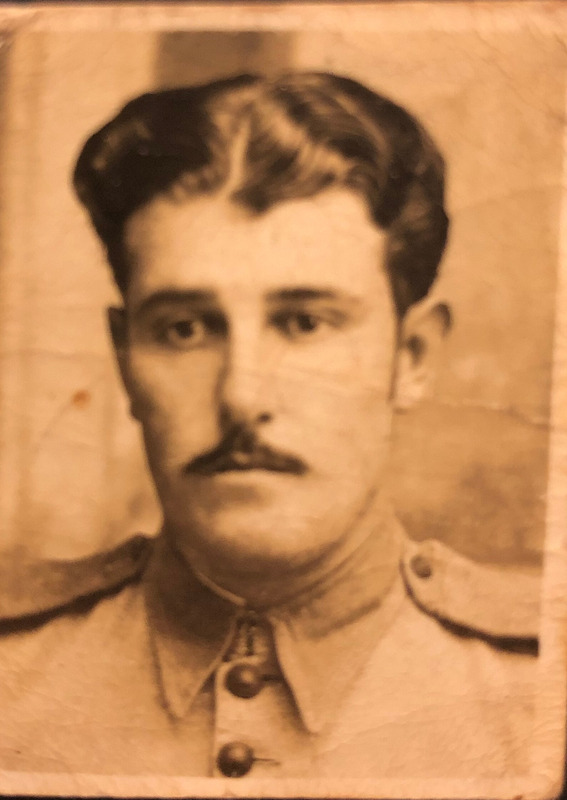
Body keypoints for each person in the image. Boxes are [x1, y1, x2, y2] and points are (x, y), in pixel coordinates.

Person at [0, 72, 540, 780]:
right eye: (185, 329)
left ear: (410, 358)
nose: (241, 395)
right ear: (126, 359)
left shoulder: (536, 693)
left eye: (304, 323)